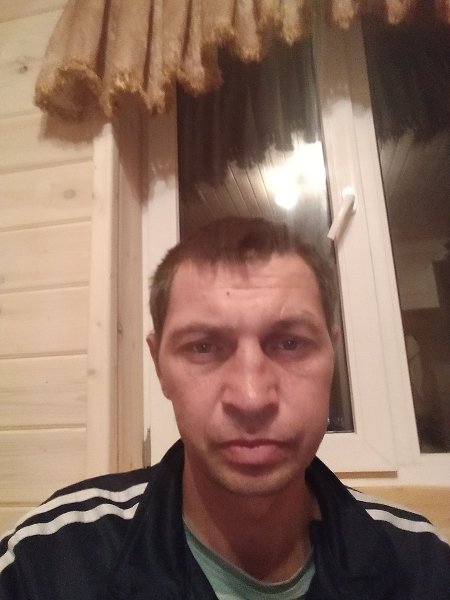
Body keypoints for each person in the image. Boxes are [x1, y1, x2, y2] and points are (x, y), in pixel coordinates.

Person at [0, 217, 449, 599]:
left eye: (290, 343)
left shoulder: (427, 566)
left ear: (333, 355)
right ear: (159, 367)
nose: (251, 398)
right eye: (203, 346)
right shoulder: (45, 562)